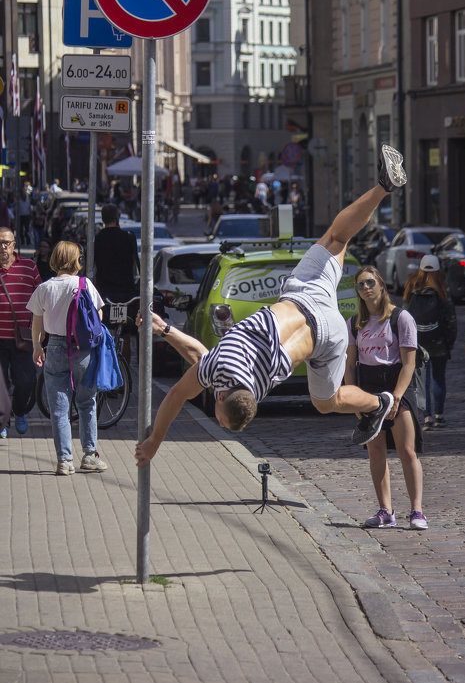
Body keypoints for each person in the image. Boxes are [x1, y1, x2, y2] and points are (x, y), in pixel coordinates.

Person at [135, 144, 408, 468]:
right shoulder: (219, 367)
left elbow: (193, 364)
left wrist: (166, 330)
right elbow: (179, 392)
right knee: (337, 237)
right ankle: (383, 187)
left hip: (326, 335)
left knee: (328, 402)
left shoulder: (254, 383)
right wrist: (154, 441)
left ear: (223, 396)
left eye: (219, 420)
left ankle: (379, 403)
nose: (219, 422)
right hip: (304, 297)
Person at [345, 266, 427, 530]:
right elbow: (349, 365)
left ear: (381, 285)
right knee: (376, 452)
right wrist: (354, 398)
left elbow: (409, 364)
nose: (366, 288)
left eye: (370, 282)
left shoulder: (400, 318)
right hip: (368, 387)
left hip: (396, 385)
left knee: (407, 451)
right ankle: (385, 511)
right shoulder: (354, 324)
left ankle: (416, 510)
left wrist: (397, 397)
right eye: (360, 285)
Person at [27, 241, 107, 475]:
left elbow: (36, 325)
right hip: (82, 349)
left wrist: (36, 348)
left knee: (59, 409)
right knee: (86, 403)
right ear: (76, 260)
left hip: (54, 346)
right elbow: (99, 315)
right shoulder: (84, 284)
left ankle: (64, 460)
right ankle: (90, 455)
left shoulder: (44, 288)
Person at [403, 255, 457, 431]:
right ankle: (439, 416)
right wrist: (449, 342)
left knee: (421, 382)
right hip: (438, 341)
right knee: (439, 378)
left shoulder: (412, 288)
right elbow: (451, 320)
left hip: (418, 342)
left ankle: (426, 418)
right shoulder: (442, 289)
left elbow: (404, 316)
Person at [0, 227, 41, 437]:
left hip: (23, 337)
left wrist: (40, 331)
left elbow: (41, 298)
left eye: (6, 242)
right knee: (2, 387)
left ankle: (20, 410)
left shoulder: (29, 267)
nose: (3, 247)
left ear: (14, 244)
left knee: (25, 381)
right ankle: (4, 422)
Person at [94, 204, 140, 364]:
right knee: (126, 335)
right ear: (117, 217)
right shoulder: (128, 237)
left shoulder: (97, 239)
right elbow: (137, 265)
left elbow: (91, 267)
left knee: (104, 331)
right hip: (125, 293)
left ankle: (106, 368)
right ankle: (124, 370)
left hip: (104, 293)